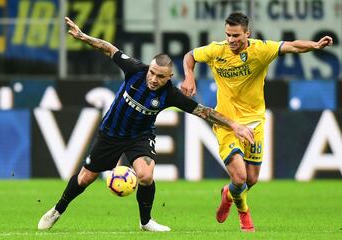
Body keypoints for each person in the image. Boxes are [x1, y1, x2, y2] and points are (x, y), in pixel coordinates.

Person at [37, 16, 255, 232]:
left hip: (139, 137)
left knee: (145, 175)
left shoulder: (171, 95)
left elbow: (203, 112)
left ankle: (145, 222)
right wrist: (84, 37)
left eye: (160, 76)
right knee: (85, 178)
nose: (153, 79)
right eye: (152, 73)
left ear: (168, 77)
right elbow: (109, 49)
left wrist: (234, 126)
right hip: (110, 134)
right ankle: (57, 210)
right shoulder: (135, 70)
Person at [181, 12, 333, 232]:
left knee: (250, 180)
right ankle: (244, 215)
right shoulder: (217, 50)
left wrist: (315, 46)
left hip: (254, 122)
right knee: (240, 176)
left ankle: (228, 194)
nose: (231, 40)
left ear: (247, 34)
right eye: (228, 35)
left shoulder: (260, 50)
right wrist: (189, 76)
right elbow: (190, 56)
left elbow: (292, 46)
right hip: (226, 122)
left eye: (235, 35)